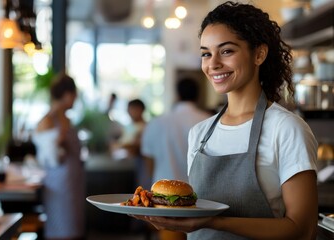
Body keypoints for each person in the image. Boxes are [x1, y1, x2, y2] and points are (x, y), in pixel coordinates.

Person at [133, 2, 318, 240]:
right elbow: (195, 213)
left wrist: (217, 222)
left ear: (259, 54)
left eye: (227, 51)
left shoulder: (286, 129)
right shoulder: (199, 133)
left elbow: (303, 230)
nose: (213, 64)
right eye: (206, 54)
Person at [140, 77, 210, 240]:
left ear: (177, 95)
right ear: (198, 96)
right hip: (203, 201)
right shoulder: (209, 120)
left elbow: (148, 161)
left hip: (163, 203)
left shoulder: (156, 123)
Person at [32, 72, 85, 240]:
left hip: (73, 181)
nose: (75, 99)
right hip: (58, 184)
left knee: (74, 228)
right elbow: (49, 157)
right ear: (67, 95)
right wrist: (58, 142)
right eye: (74, 95)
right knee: (61, 229)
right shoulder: (48, 120)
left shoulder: (65, 118)